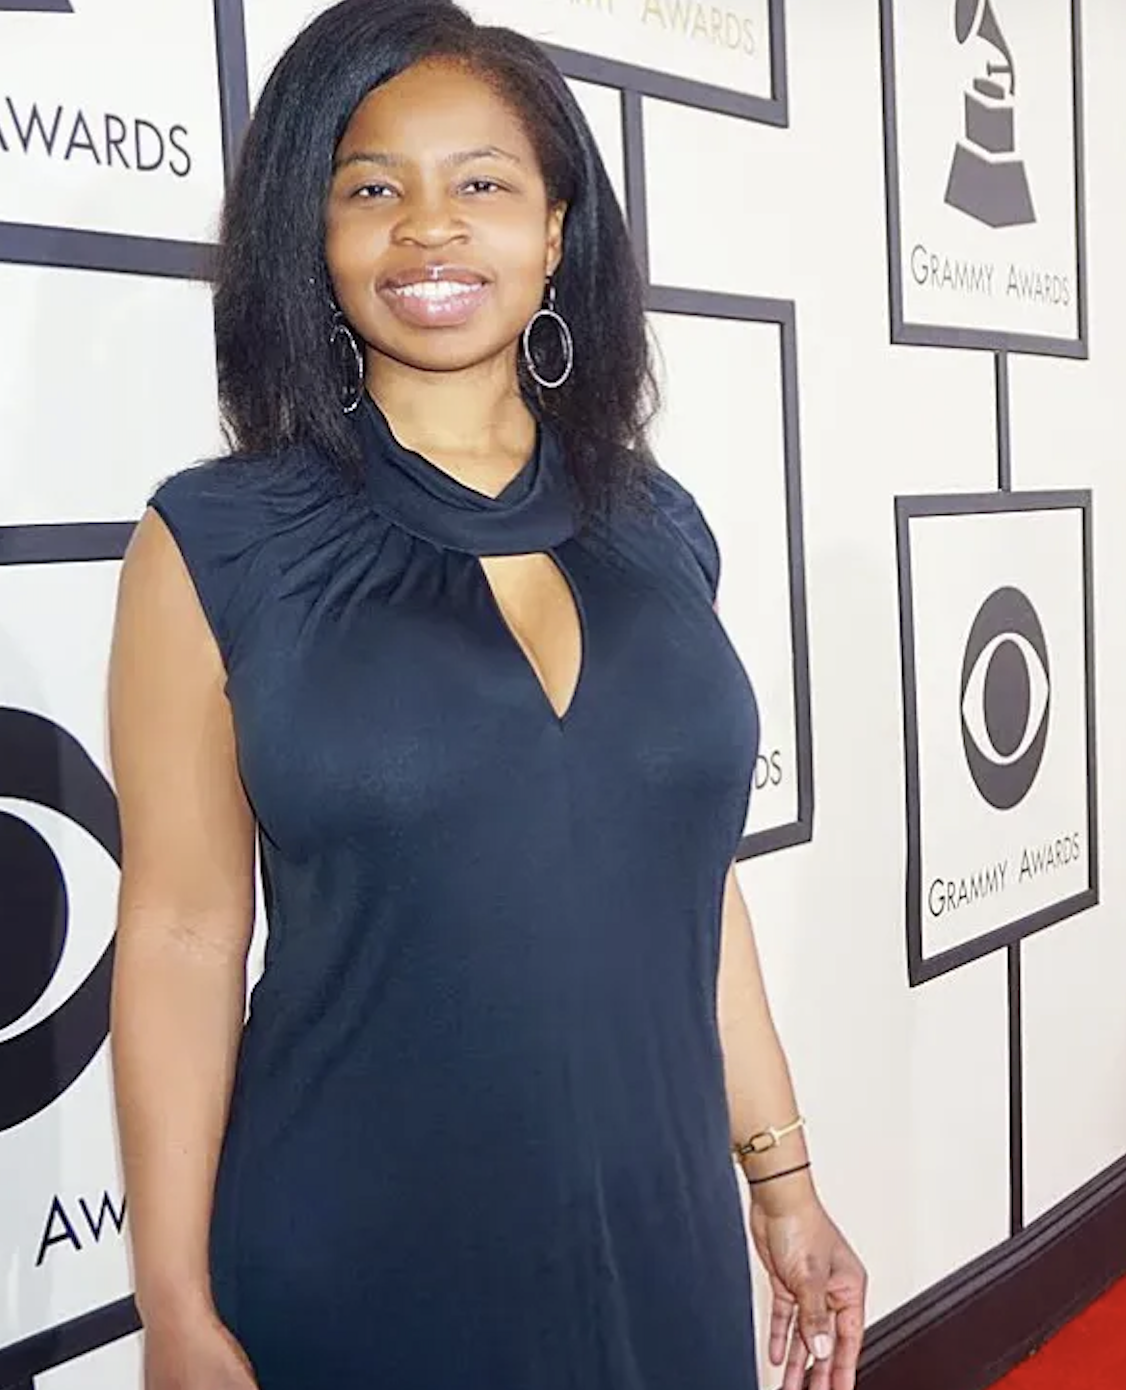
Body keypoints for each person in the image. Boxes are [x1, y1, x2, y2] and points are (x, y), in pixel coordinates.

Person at [103, 4, 866, 1388]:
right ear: (311, 233)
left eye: (482, 183)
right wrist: (173, 1301)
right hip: (358, 1252)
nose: (428, 227)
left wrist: (782, 1182)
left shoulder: (660, 526)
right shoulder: (215, 544)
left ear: (557, 230)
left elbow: (694, 885)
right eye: (370, 189)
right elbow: (181, 933)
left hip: (659, 1240)